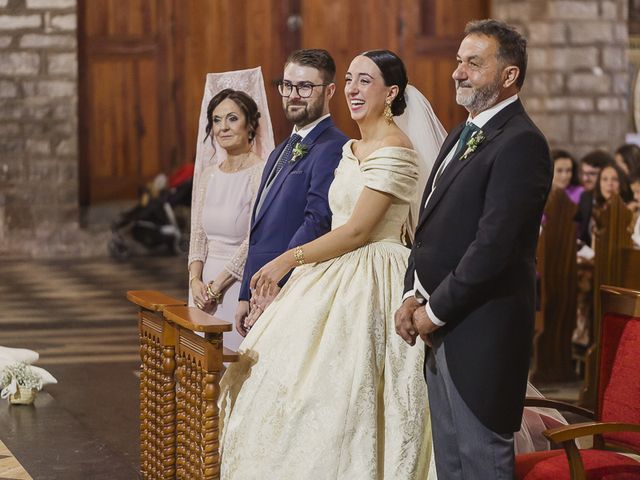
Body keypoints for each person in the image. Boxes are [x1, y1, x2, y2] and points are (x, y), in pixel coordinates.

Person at [218, 50, 446, 479]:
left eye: (366, 81)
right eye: (352, 80)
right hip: (332, 270)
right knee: (294, 387)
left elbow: (358, 231)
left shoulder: (397, 148)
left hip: (374, 273)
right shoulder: (352, 147)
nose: (354, 90)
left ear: (392, 92)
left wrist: (289, 259)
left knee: (357, 394)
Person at [396, 20, 552, 479]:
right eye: (458, 61)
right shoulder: (461, 134)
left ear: (509, 76)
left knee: (481, 459)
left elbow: (493, 246)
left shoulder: (522, 142)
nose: (457, 73)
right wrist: (411, 293)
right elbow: (427, 227)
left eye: (473, 63)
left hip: (482, 329)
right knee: (451, 463)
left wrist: (434, 310)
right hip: (441, 323)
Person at [234, 49, 348, 336]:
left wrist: (275, 283)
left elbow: (317, 221)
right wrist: (245, 294)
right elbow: (258, 229)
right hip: (259, 291)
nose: (293, 94)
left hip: (291, 289)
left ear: (330, 90)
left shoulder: (333, 147)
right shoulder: (278, 151)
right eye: (287, 85)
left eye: (306, 86)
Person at [187, 68, 275, 351]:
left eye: (232, 118)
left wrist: (218, 286)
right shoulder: (208, 175)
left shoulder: (261, 174)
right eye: (216, 120)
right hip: (201, 291)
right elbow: (198, 235)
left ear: (250, 125)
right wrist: (195, 282)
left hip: (237, 286)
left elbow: (255, 240)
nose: (223, 127)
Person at [575, 150, 614, 247]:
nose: (585, 179)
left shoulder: (616, 200)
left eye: (591, 174)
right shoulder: (585, 196)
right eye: (583, 173)